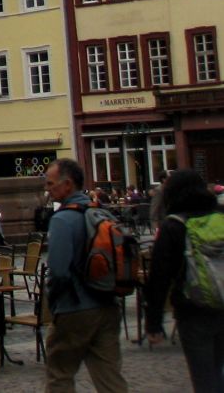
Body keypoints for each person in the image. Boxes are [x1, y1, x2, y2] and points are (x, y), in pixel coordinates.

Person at [44, 158, 129, 392]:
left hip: (75, 308)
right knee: (110, 377)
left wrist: (54, 305)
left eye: (51, 184)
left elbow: (58, 270)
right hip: (108, 304)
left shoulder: (62, 220)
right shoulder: (103, 214)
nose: (47, 189)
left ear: (67, 184)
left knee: (60, 374)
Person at [146, 169, 224, 391]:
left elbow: (159, 277)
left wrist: (154, 321)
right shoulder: (221, 216)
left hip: (193, 311)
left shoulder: (174, 226)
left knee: (204, 377)